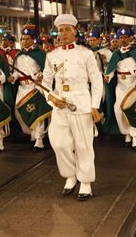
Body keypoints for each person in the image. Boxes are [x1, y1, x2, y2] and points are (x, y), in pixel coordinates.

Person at [42, 14, 103, 201]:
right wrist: (51, 98)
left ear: (75, 31)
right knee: (59, 143)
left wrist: (94, 106)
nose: (64, 33)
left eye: (68, 29)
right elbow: (45, 82)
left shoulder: (85, 53)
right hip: (60, 104)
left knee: (83, 145)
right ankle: (70, 175)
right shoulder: (51, 55)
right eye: (61, 30)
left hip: (81, 104)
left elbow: (97, 80)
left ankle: (85, 182)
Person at [104, 27, 136, 149]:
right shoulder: (116, 54)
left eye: (125, 37)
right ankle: (126, 133)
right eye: (121, 38)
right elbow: (111, 70)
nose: (123, 40)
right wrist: (108, 76)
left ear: (130, 38)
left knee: (135, 110)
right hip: (121, 87)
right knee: (118, 109)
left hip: (134, 85)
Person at [9, 27, 48, 151]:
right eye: (23, 39)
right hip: (22, 88)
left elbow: (47, 69)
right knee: (18, 112)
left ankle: (39, 139)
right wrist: (13, 78)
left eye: (27, 39)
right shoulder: (18, 56)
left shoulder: (40, 54)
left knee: (38, 113)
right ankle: (32, 132)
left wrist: (42, 75)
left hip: (35, 86)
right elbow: (16, 72)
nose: (24, 41)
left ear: (33, 40)